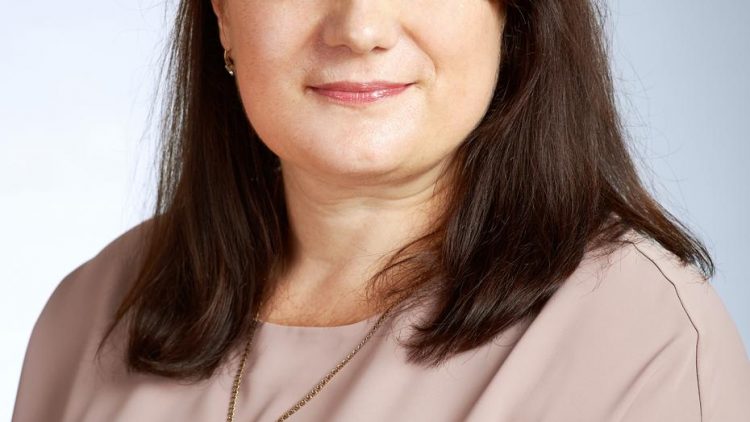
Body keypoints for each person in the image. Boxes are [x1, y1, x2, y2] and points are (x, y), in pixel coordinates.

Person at [12, 0, 750, 421]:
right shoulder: (92, 311)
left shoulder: (643, 340)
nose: (360, 27)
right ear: (223, 16)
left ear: (513, 14)